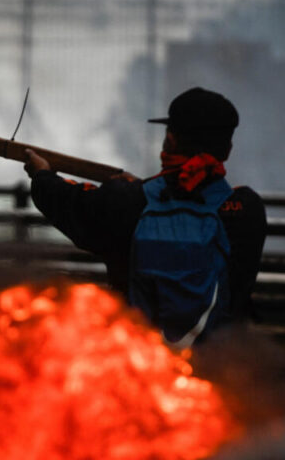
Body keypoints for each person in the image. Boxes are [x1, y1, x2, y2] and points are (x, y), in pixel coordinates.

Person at [24, 87, 267, 347]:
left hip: (142, 368)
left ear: (170, 142)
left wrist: (42, 176)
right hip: (223, 369)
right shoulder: (246, 210)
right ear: (227, 149)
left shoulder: (127, 201)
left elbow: (68, 200)